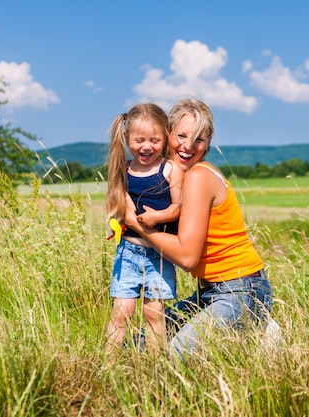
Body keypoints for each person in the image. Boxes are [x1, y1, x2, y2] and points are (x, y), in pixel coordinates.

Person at [124, 97, 274, 360]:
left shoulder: (198, 176)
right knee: (137, 345)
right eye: (181, 135)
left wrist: (139, 227)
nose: (187, 146)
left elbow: (187, 257)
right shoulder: (175, 179)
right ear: (167, 134)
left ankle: (259, 327)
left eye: (198, 140)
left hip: (241, 291)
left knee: (173, 359)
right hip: (210, 292)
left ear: (209, 141)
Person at [104, 103, 184, 356]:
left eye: (154, 140)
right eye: (139, 140)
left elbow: (178, 207)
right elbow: (121, 204)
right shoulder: (124, 169)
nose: (146, 146)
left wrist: (157, 216)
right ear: (127, 138)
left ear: (166, 138)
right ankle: (108, 365)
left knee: (154, 313)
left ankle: (154, 367)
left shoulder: (170, 169)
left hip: (160, 254)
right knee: (121, 313)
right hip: (128, 251)